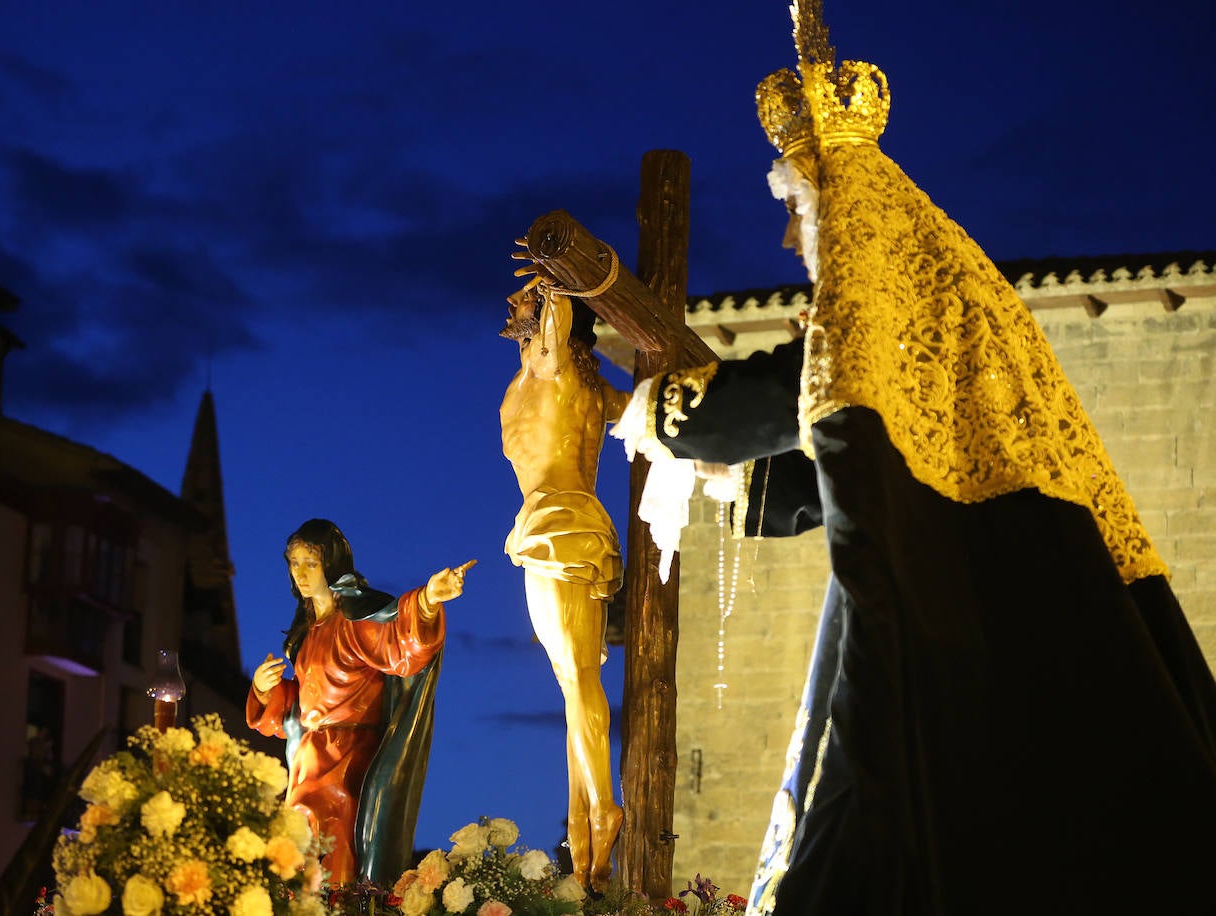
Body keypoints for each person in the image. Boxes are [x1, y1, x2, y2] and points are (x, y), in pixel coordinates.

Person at [612, 10, 1216, 915]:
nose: (789, 239)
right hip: (1003, 569)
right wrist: (743, 479)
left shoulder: (902, 291)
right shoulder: (955, 287)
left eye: (794, 208)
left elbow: (815, 391)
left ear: (836, 202)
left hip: (975, 599)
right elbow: (890, 459)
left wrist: (661, 414)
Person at [247, 518, 475, 886]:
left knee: (336, 858)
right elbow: (300, 708)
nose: (301, 573)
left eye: (311, 563)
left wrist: (429, 600)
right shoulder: (306, 633)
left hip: (347, 761)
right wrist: (263, 691)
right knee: (296, 864)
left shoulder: (354, 620)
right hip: (307, 761)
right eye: (295, 563)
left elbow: (401, 648)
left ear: (331, 565)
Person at [500, 277, 628, 892]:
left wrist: (557, 278)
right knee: (574, 686)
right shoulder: (579, 386)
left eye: (524, 299)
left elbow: (553, 329)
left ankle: (603, 808)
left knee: (578, 680)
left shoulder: (553, 369)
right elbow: (641, 409)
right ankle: (581, 825)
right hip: (561, 531)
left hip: (559, 530)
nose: (513, 303)